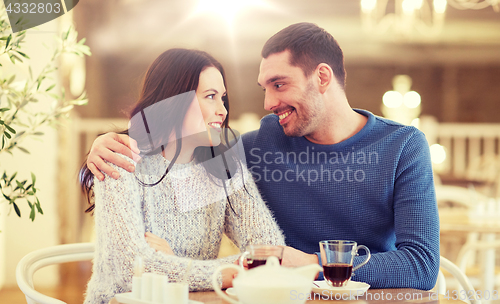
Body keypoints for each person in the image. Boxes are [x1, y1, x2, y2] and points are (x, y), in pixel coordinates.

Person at [86, 23, 440, 290]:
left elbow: (422, 266)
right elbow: (133, 260)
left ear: (322, 77)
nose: (268, 105)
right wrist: (102, 144)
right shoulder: (242, 151)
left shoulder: (403, 146)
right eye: (265, 88)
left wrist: (309, 264)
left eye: (280, 84)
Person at [80, 48, 285, 304]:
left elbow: (269, 251)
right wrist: (231, 272)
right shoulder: (121, 160)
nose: (222, 109)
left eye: (223, 98)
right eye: (210, 96)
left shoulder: (225, 168)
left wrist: (173, 264)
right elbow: (129, 271)